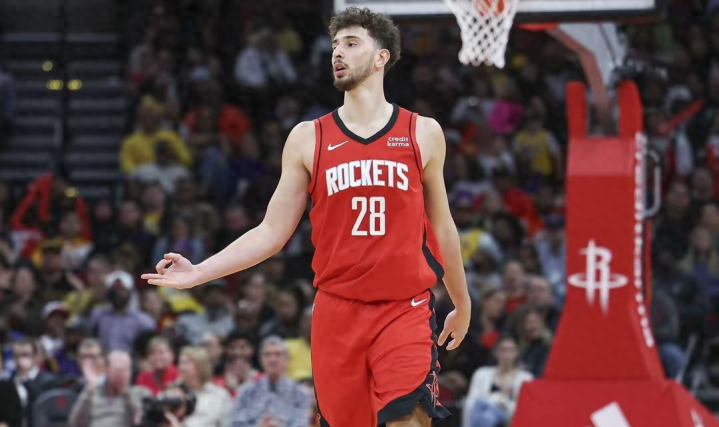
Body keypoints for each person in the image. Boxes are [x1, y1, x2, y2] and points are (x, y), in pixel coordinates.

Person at [142, 7, 471, 426]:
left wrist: (461, 302)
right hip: (336, 313)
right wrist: (200, 272)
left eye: (351, 43)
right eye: (335, 45)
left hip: (403, 309)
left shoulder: (422, 132)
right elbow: (271, 231)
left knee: (409, 420)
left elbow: (442, 226)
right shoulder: (307, 138)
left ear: (381, 57)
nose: (338, 53)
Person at [230, 336, 310, 427]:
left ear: (287, 359)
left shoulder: (300, 393)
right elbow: (234, 424)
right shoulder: (246, 392)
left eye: (278, 354)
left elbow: (302, 424)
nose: (272, 360)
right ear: (261, 360)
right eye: (267, 355)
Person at [463, 337, 533, 427]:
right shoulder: (481, 374)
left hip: (509, 418)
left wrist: (503, 401)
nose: (506, 354)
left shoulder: (526, 378)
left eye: (511, 350)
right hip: (481, 414)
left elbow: (525, 408)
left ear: (517, 353)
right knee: (483, 411)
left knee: (488, 416)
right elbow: (471, 403)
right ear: (496, 352)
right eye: (503, 350)